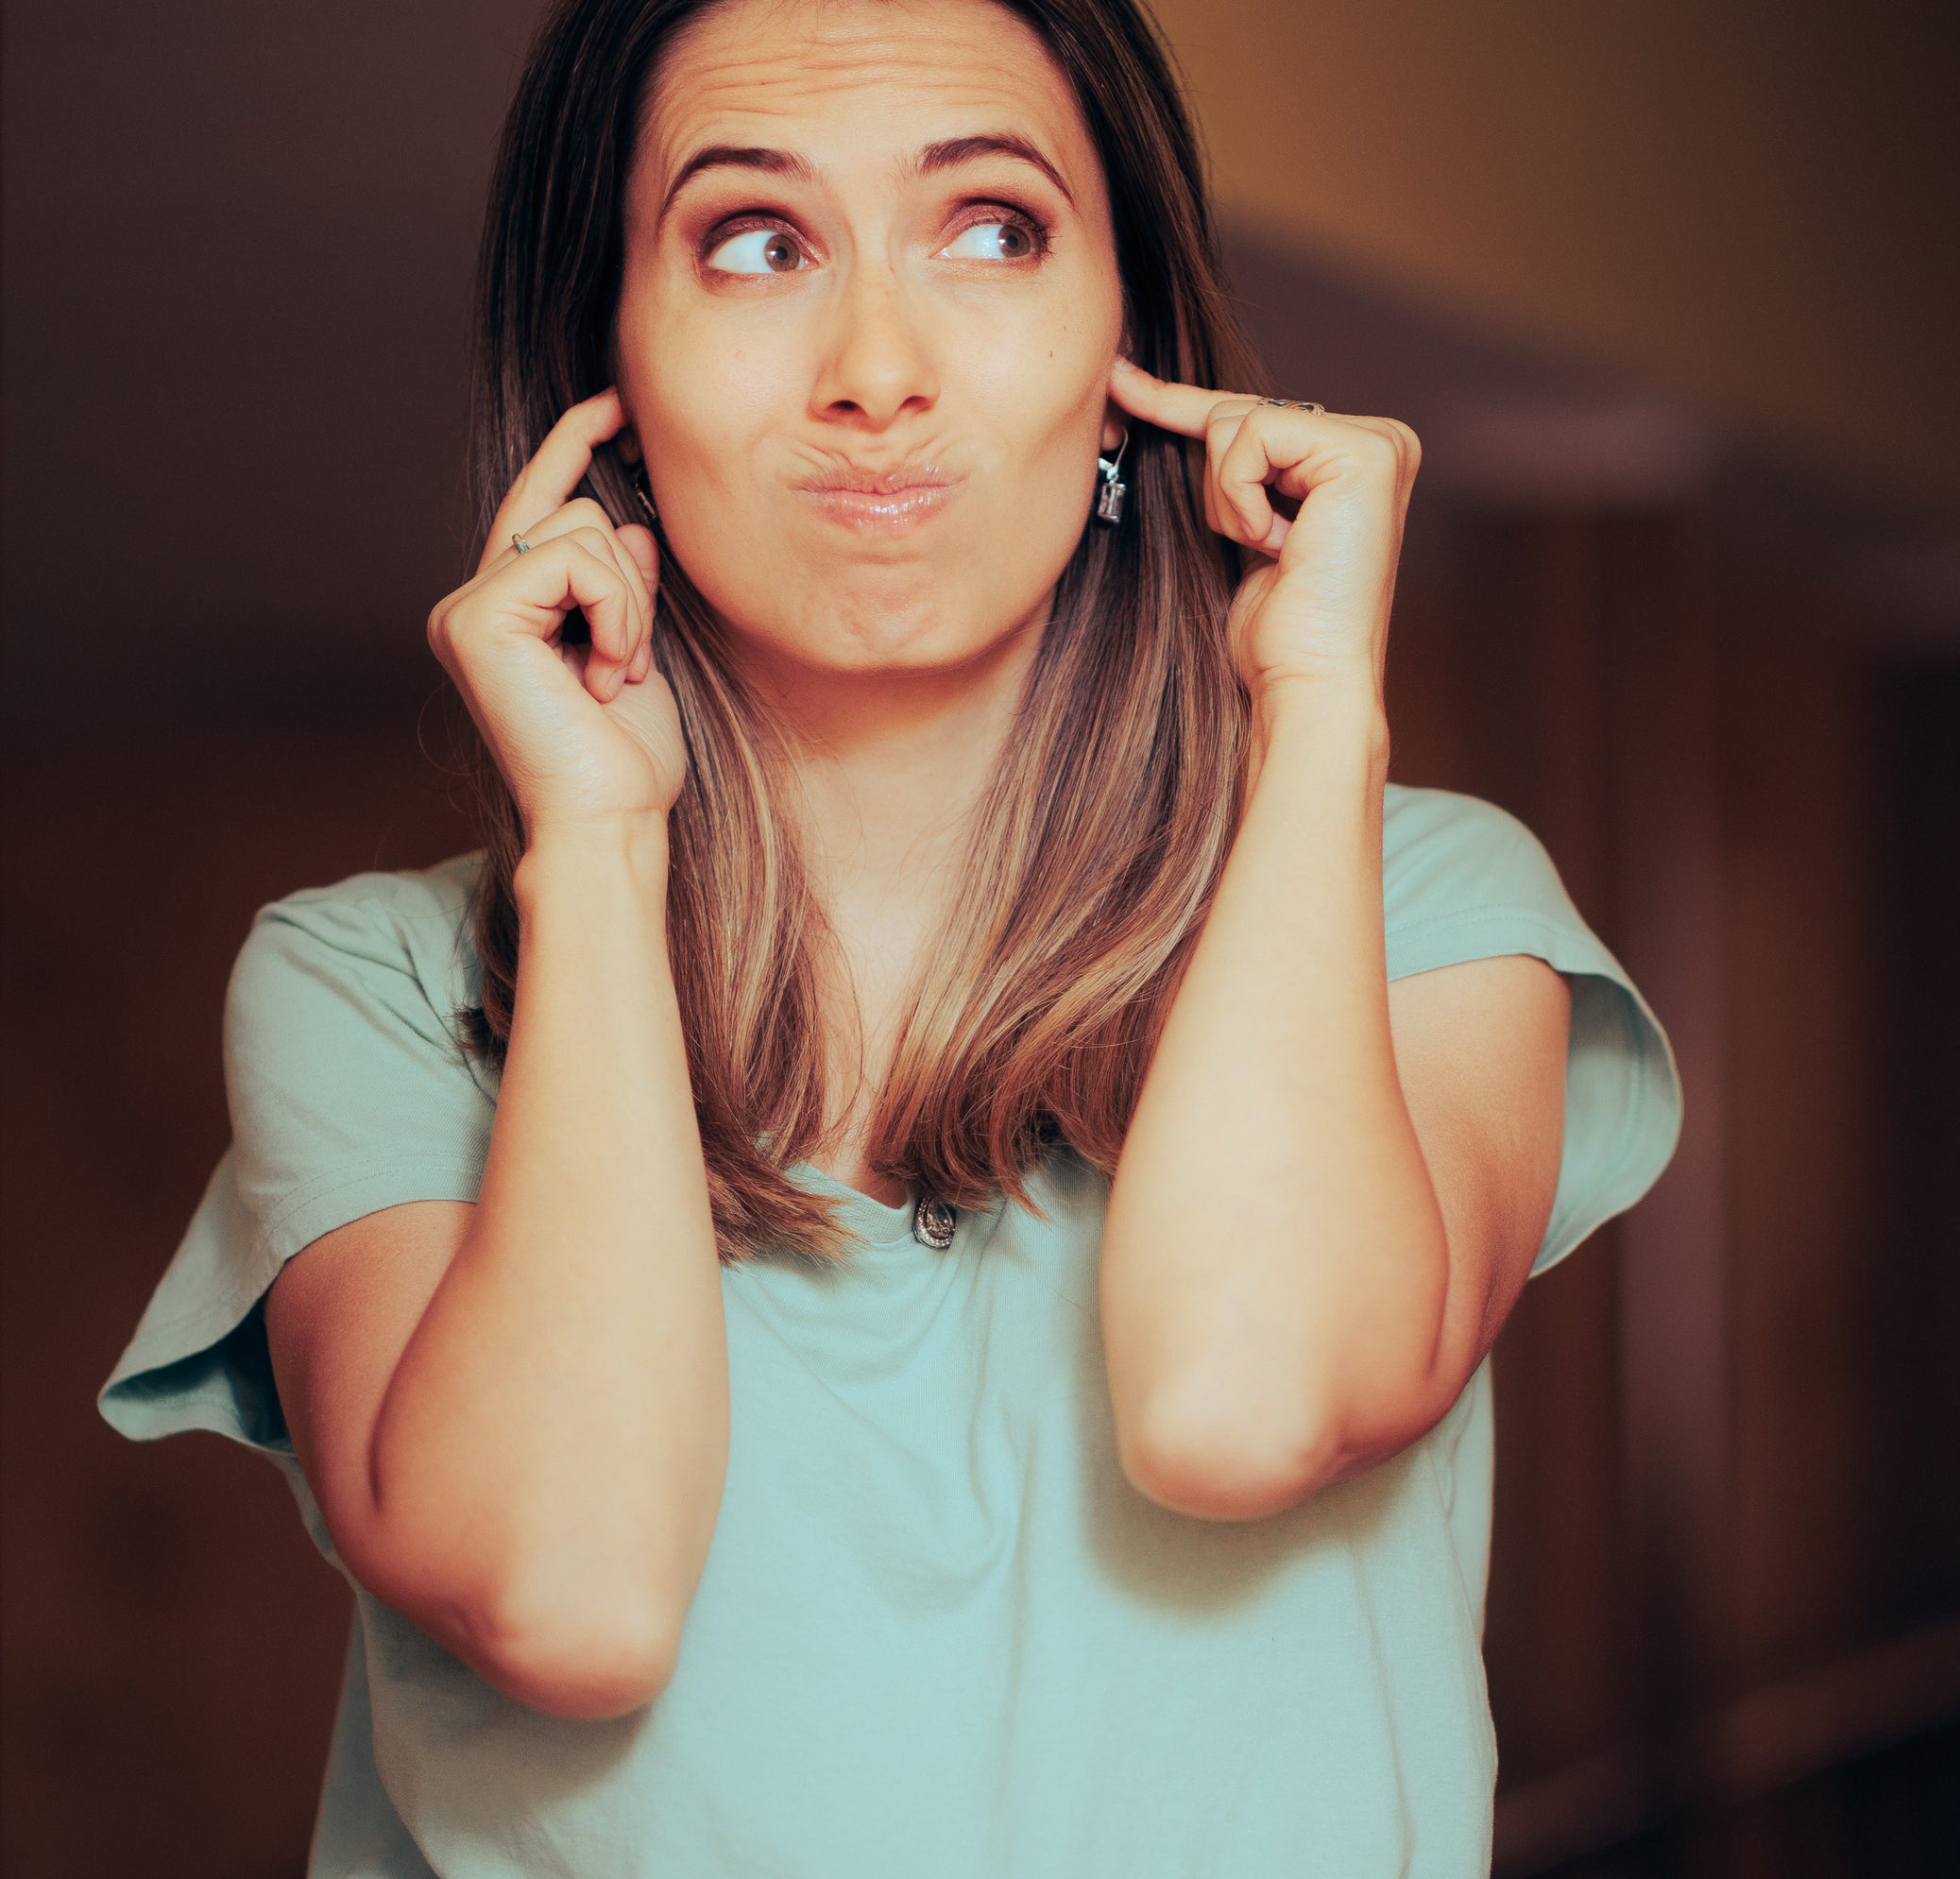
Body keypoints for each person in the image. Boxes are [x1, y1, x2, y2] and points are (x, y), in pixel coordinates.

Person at [96, 0, 1679, 1870]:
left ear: (1133, 345)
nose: (874, 368)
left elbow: (1245, 1399)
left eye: (991, 228)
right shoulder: (371, 988)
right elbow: (564, 1590)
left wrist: (1319, 700)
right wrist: (595, 844)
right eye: (754, 242)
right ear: (606, 361)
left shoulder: (1417, 913)